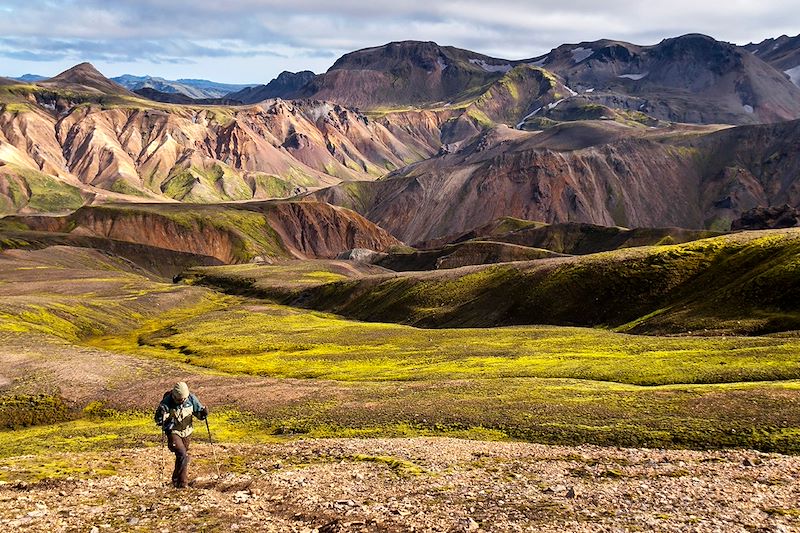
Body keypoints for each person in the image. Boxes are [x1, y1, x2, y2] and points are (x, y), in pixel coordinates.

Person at [154, 381, 209, 488]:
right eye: (179, 399)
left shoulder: (191, 399)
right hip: (173, 432)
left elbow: (199, 414)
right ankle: (182, 483)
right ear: (174, 396)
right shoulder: (166, 402)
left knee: (182, 457)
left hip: (187, 432)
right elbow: (158, 421)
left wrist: (204, 413)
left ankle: (177, 482)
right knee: (182, 454)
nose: (181, 401)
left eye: (183, 399)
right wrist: (161, 415)